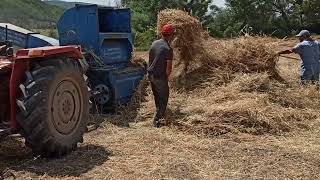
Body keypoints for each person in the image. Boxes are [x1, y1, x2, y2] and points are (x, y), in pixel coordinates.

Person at [148, 24, 174, 128]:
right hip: (159, 77)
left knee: (157, 96)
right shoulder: (168, 49)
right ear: (171, 35)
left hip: (150, 75)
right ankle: (158, 121)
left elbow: (150, 59)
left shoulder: (154, 43)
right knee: (164, 97)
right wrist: (166, 78)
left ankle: (158, 113)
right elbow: (168, 68)